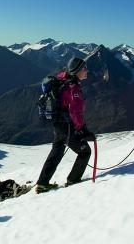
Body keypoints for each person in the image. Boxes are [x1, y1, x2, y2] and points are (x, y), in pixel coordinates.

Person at [36, 57, 96, 193]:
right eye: (84, 69)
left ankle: (42, 183)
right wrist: (83, 130)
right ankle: (73, 181)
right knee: (85, 151)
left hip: (57, 123)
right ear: (76, 71)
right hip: (65, 125)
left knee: (56, 151)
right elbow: (76, 113)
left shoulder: (63, 79)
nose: (86, 71)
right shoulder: (73, 88)